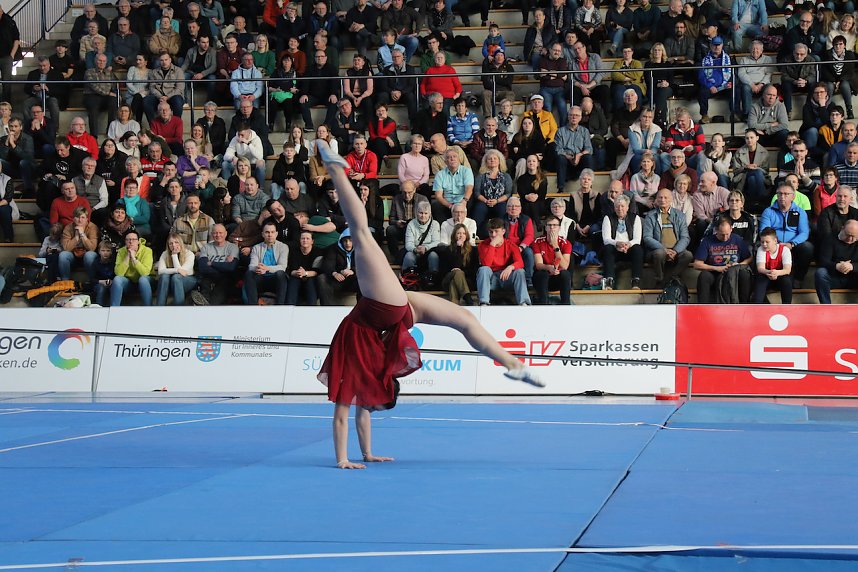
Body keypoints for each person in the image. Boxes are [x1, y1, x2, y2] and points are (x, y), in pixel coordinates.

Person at [314, 140, 542, 466]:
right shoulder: (372, 374)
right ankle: (511, 363)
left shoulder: (361, 364)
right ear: (385, 388)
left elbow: (345, 415)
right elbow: (353, 414)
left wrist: (356, 457)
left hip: (388, 310)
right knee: (364, 235)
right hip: (392, 310)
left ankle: (512, 364)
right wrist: (348, 458)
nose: (370, 406)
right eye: (377, 403)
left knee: (363, 234)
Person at [760, 184, 814, 287]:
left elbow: (804, 232)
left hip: (793, 245)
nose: (782, 197)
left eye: (786, 194)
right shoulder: (768, 211)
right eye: (779, 194)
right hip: (774, 244)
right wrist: (776, 244)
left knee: (808, 247)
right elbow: (764, 231)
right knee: (760, 246)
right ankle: (765, 280)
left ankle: (799, 279)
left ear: (793, 196)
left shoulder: (800, 212)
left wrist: (791, 243)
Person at [693, 216, 753, 304]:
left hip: (734, 273)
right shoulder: (707, 241)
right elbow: (697, 264)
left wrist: (739, 265)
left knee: (745, 274)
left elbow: (749, 258)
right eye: (722, 234)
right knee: (704, 276)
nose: (725, 238)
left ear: (731, 229)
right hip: (715, 272)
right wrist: (716, 268)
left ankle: (744, 305)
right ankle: (703, 307)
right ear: (716, 230)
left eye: (727, 234)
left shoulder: (737, 239)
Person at [643, 188, 692, 287]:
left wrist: (675, 251)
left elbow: (685, 237)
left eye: (666, 197)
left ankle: (668, 279)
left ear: (671, 199)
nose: (663, 200)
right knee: (659, 254)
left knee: (688, 255)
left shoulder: (680, 215)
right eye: (660, 197)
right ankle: (660, 278)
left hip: (676, 250)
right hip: (658, 250)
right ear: (656, 199)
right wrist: (664, 249)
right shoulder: (650, 215)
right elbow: (647, 237)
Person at [245, 221, 289, 304]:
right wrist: (258, 268)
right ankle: (252, 306)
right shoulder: (256, 247)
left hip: (276, 279)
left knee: (281, 274)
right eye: (267, 232)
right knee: (249, 273)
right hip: (261, 278)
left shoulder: (283, 247)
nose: (270, 235)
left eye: (272, 232)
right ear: (262, 234)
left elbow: (282, 267)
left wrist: (267, 268)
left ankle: (280, 306)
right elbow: (251, 266)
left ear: (276, 234)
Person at [815, 220, 858, 303]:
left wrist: (852, 266)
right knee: (820, 273)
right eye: (847, 235)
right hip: (834, 277)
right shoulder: (830, 238)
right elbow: (823, 261)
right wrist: (837, 266)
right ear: (842, 229)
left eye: (854, 237)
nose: (850, 239)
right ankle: (826, 306)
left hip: (854, 277)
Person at [532, 215, 572, 304]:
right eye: (549, 225)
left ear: (559, 228)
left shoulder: (565, 243)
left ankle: (566, 305)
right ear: (545, 227)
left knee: (565, 274)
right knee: (542, 273)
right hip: (542, 278)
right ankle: (543, 305)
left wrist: (555, 246)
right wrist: (549, 268)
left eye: (555, 225)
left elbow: (564, 266)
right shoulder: (537, 241)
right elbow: (538, 265)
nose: (552, 228)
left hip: (557, 278)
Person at [472, 150, 512, 235]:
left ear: (499, 161)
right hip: (484, 201)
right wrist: (486, 201)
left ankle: (504, 234)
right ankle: (475, 234)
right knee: (479, 208)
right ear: (486, 162)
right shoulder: (480, 176)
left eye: (495, 158)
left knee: (503, 208)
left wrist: (496, 201)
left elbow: (508, 193)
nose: (492, 160)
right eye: (489, 159)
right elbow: (477, 193)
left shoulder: (506, 176)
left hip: (500, 201)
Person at [110, 230, 154, 306]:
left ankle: (148, 308)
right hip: (129, 283)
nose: (131, 242)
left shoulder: (147, 251)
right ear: (125, 242)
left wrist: (134, 259)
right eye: (128, 240)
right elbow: (118, 273)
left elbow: (145, 273)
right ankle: (114, 309)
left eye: (133, 239)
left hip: (146, 282)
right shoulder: (121, 251)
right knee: (117, 279)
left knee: (143, 279)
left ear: (138, 241)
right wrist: (127, 256)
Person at [698, 36, 735, 124]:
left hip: (725, 87)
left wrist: (731, 82)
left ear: (722, 45)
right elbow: (701, 76)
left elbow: (734, 73)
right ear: (711, 46)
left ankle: (734, 114)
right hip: (711, 88)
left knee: (736, 89)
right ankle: (704, 115)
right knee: (702, 91)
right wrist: (710, 86)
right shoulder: (704, 60)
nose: (717, 47)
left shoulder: (729, 59)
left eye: (719, 45)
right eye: (714, 45)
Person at [554, 106, 592, 190]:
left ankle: (588, 187)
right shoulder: (560, 131)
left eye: (576, 115)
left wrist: (579, 155)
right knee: (560, 158)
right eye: (571, 115)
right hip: (566, 161)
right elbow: (558, 149)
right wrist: (568, 157)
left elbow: (589, 149)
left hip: (579, 161)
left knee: (588, 157)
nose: (574, 117)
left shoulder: (584, 131)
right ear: (568, 117)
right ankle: (560, 188)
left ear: (580, 118)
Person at [155, 232, 197, 305]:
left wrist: (174, 256)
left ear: (181, 243)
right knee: (164, 276)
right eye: (171, 243)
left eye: (176, 242)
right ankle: (160, 308)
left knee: (176, 277)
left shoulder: (189, 254)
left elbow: (182, 272)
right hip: (171, 282)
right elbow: (160, 271)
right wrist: (176, 270)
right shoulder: (165, 254)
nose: (174, 245)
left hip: (188, 280)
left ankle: (179, 309)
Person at [737, 41, 774, 122]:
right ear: (749, 50)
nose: (755, 50)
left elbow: (769, 74)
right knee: (745, 88)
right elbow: (741, 74)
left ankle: (768, 115)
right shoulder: (744, 59)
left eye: (757, 49)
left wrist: (761, 84)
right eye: (753, 49)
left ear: (761, 50)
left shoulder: (767, 59)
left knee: (770, 89)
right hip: (749, 84)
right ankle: (747, 115)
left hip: (763, 84)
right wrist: (752, 85)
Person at [753, 227, 793, 304]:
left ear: (775, 240)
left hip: (780, 277)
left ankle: (787, 307)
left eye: (767, 242)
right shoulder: (761, 249)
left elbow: (787, 270)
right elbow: (760, 268)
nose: (764, 244)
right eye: (762, 242)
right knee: (760, 280)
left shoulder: (785, 250)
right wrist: (769, 272)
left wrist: (776, 273)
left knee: (787, 281)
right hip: (766, 276)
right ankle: (757, 307)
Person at [144, 52, 185, 123]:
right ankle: (153, 127)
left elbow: (179, 88)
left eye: (166, 60)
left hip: (173, 96)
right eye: (162, 60)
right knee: (147, 100)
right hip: (158, 97)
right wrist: (160, 97)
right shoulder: (154, 72)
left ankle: (175, 124)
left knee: (178, 100)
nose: (164, 62)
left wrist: (167, 97)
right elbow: (152, 87)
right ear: (159, 61)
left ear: (170, 60)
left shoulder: (178, 70)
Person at [402, 201, 441, 272]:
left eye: (426, 213)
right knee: (409, 256)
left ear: (430, 214)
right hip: (415, 250)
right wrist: (415, 249)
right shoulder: (411, 224)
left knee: (434, 256)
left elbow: (436, 242)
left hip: (429, 251)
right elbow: (408, 243)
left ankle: (433, 279)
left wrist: (426, 248)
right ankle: (407, 277)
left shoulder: (435, 224)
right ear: (417, 213)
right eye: (421, 213)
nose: (423, 216)